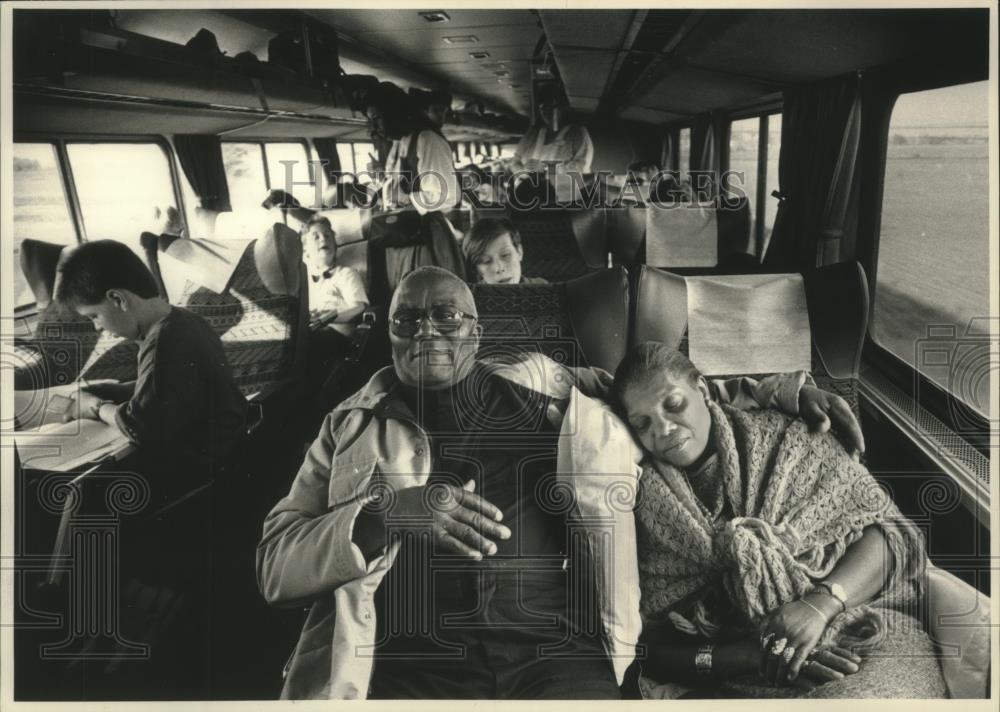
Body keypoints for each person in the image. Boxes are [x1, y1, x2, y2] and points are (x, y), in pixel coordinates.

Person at [256, 266, 866, 700]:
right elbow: (275, 566)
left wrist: (779, 390)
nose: (424, 330)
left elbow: (661, 396)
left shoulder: (543, 387)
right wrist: (387, 512)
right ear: (387, 335)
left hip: (554, 656)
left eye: (444, 314)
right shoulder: (349, 425)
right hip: (412, 665)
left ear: (476, 329)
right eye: (405, 319)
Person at [612, 342, 948, 699]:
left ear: (701, 389)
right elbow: (648, 648)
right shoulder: (642, 502)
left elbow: (889, 535)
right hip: (744, 672)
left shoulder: (788, 437)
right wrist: (750, 656)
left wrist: (818, 606)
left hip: (859, 624)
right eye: (643, 423)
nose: (663, 429)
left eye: (673, 404)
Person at [55, 239, 247, 498]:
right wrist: (117, 389)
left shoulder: (163, 342)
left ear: (117, 299)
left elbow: (140, 426)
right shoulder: (184, 320)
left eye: (94, 316)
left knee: (82, 489)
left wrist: (94, 407)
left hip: (203, 474)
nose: (97, 327)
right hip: (227, 453)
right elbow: (171, 387)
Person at [363, 81, 466, 287]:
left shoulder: (427, 140)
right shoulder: (400, 142)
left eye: (377, 119)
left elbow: (448, 194)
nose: (374, 128)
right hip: (403, 237)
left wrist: (405, 199)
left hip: (427, 238)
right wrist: (381, 180)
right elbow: (400, 187)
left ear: (394, 112)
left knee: (429, 295)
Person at [508, 91, 594, 204]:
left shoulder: (577, 133)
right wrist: (524, 172)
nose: (548, 112)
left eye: (553, 107)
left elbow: (581, 167)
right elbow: (515, 162)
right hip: (528, 197)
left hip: (563, 198)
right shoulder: (532, 134)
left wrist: (545, 169)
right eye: (543, 108)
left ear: (564, 109)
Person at [301, 215, 369, 338]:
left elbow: (359, 308)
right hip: (311, 331)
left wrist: (325, 319)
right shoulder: (303, 281)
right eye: (316, 237)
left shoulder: (346, 274)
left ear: (334, 244)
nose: (323, 239)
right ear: (305, 250)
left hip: (338, 334)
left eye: (327, 235)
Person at [462, 217, 546, 285]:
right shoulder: (469, 299)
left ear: (519, 252)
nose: (499, 268)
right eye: (486, 261)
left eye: (505, 255)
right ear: (476, 269)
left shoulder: (542, 288)